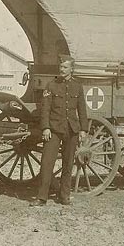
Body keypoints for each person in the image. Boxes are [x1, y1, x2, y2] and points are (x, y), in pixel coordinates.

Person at [30, 54, 88, 206]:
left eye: (65, 67)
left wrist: (83, 129)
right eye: (60, 67)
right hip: (54, 129)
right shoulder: (51, 85)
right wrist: (46, 128)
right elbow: (45, 110)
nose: (61, 69)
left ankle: (64, 196)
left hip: (71, 130)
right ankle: (42, 197)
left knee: (68, 164)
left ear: (71, 69)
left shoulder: (77, 86)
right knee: (46, 163)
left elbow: (82, 109)